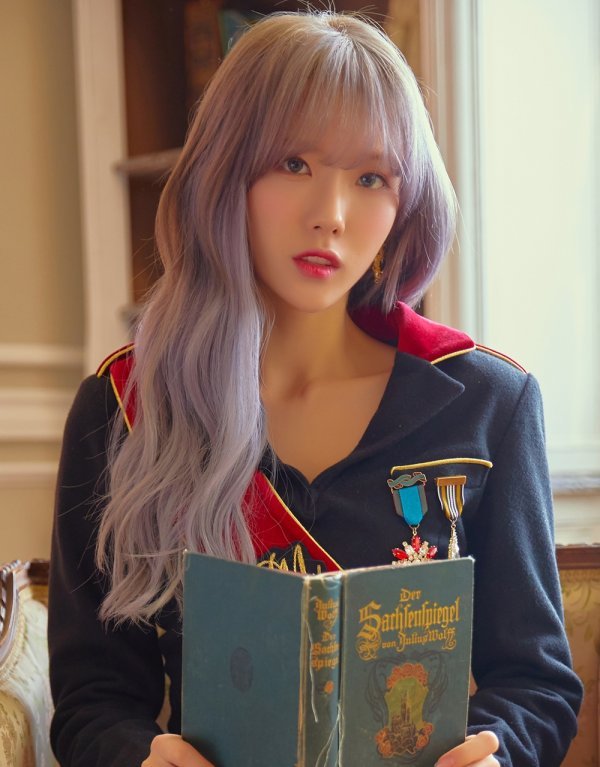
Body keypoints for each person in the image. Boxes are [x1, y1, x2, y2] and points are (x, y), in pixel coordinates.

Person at [48, 10, 582, 767]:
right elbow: (92, 700)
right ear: (224, 174)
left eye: (370, 178)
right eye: (293, 164)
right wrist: (141, 755)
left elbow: (537, 684)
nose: (329, 215)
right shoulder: (123, 409)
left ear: (406, 204)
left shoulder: (489, 403)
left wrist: (498, 753)